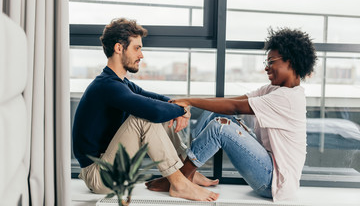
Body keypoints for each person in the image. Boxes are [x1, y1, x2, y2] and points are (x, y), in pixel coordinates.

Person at [146, 27, 317, 202]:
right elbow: (229, 102)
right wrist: (188, 102)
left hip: (272, 181)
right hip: (265, 164)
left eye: (271, 61)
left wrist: (189, 101)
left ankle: (179, 180)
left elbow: (234, 107)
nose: (266, 68)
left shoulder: (288, 98)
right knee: (217, 114)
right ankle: (189, 173)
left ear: (290, 61)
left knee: (220, 127)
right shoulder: (273, 89)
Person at [72, 18, 219, 201]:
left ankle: (184, 170)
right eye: (137, 48)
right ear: (119, 48)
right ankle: (179, 183)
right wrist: (181, 110)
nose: (141, 55)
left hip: (111, 168)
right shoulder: (106, 86)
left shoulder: (122, 84)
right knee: (144, 118)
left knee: (160, 112)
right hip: (100, 175)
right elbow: (154, 112)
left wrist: (182, 106)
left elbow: (157, 99)